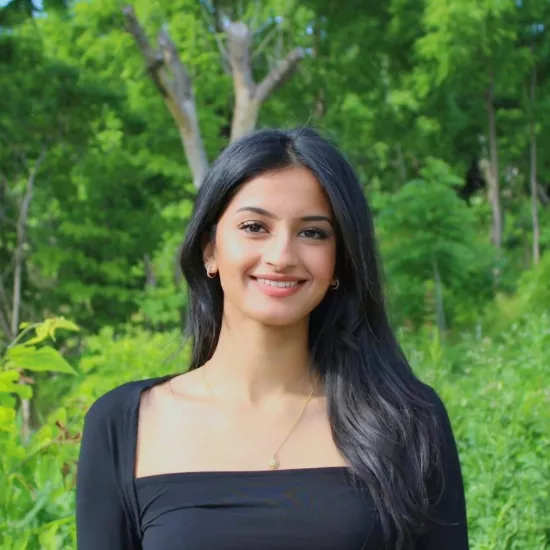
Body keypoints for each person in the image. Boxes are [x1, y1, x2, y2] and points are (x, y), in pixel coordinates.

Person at [75, 127, 469, 550]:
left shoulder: (407, 419)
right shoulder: (125, 423)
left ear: (339, 261)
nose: (281, 256)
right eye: (254, 227)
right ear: (210, 249)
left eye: (313, 232)